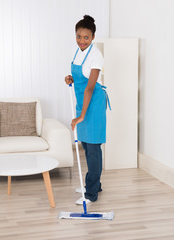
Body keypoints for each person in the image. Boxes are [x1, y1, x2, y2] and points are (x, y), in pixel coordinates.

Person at [65, 15, 110, 205]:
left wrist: (81, 116)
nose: (82, 41)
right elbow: (81, 77)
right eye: (79, 36)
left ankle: (91, 193)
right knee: (86, 144)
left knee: (93, 148)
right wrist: (71, 78)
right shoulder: (78, 52)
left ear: (93, 37)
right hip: (82, 101)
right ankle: (94, 183)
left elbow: (91, 86)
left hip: (93, 103)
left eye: (86, 37)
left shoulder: (96, 55)